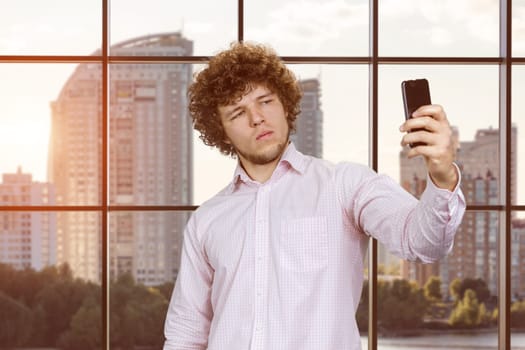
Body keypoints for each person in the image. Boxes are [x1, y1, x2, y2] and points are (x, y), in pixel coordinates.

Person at [163, 42, 466, 350]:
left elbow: (424, 242)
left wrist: (442, 175)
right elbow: (185, 333)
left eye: (265, 101)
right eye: (238, 112)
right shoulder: (207, 220)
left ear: (284, 104)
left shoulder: (344, 185)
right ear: (221, 130)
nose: (257, 118)